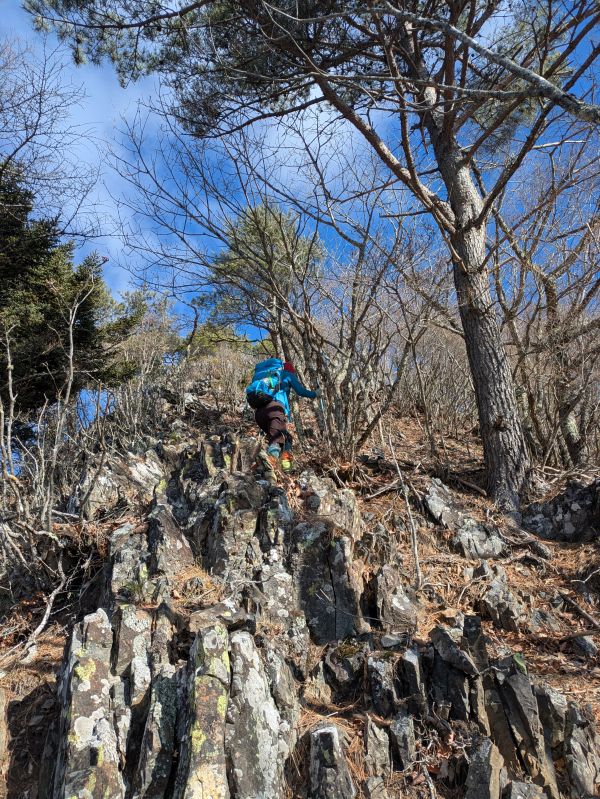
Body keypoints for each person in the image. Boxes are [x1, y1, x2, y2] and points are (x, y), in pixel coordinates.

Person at [254, 361, 318, 472]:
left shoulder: (262, 376)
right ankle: (271, 470)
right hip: (275, 410)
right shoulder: (287, 374)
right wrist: (315, 394)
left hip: (259, 414)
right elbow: (300, 391)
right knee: (276, 440)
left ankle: (285, 469)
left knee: (287, 438)